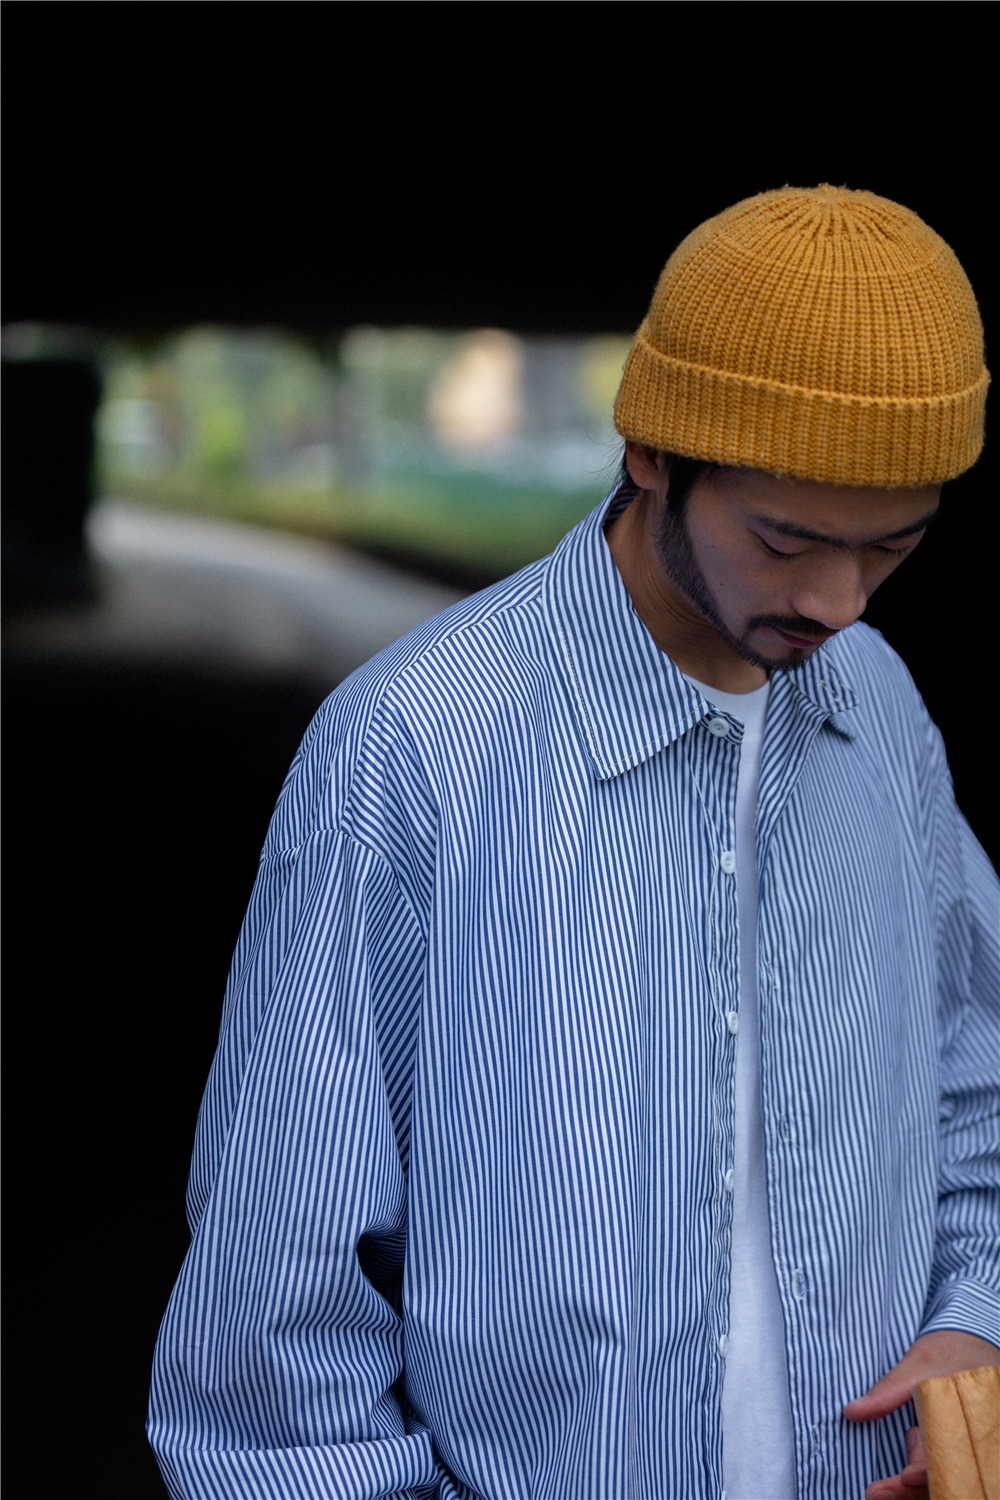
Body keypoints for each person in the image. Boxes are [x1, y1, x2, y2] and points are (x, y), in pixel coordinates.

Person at [148, 186, 999, 1500]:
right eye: (785, 539)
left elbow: (976, 1080)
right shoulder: (413, 747)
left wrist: (974, 1317)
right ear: (651, 453)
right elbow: (277, 1297)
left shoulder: (879, 708)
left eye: (891, 548)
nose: (837, 602)